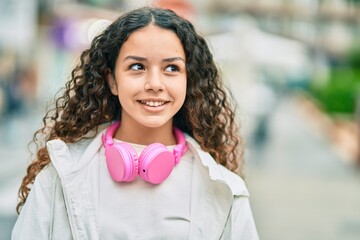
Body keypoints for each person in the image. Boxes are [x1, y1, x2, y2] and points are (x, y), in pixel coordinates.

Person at [12, 7, 259, 240]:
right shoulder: (60, 175)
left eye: (171, 68)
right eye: (137, 66)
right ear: (112, 80)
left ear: (188, 81)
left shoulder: (225, 190)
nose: (154, 83)